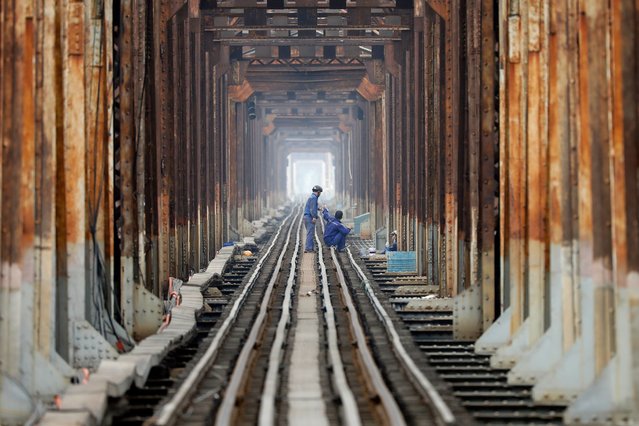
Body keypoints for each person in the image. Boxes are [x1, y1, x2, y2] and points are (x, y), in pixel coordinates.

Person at [303, 185, 322, 252]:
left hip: (307, 217)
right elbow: (312, 209)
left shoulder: (312, 197)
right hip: (309, 217)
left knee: (310, 233)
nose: (320, 194)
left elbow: (312, 206)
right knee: (310, 233)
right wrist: (314, 217)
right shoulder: (314, 198)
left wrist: (319, 208)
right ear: (318, 192)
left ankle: (310, 247)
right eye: (320, 192)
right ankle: (308, 248)